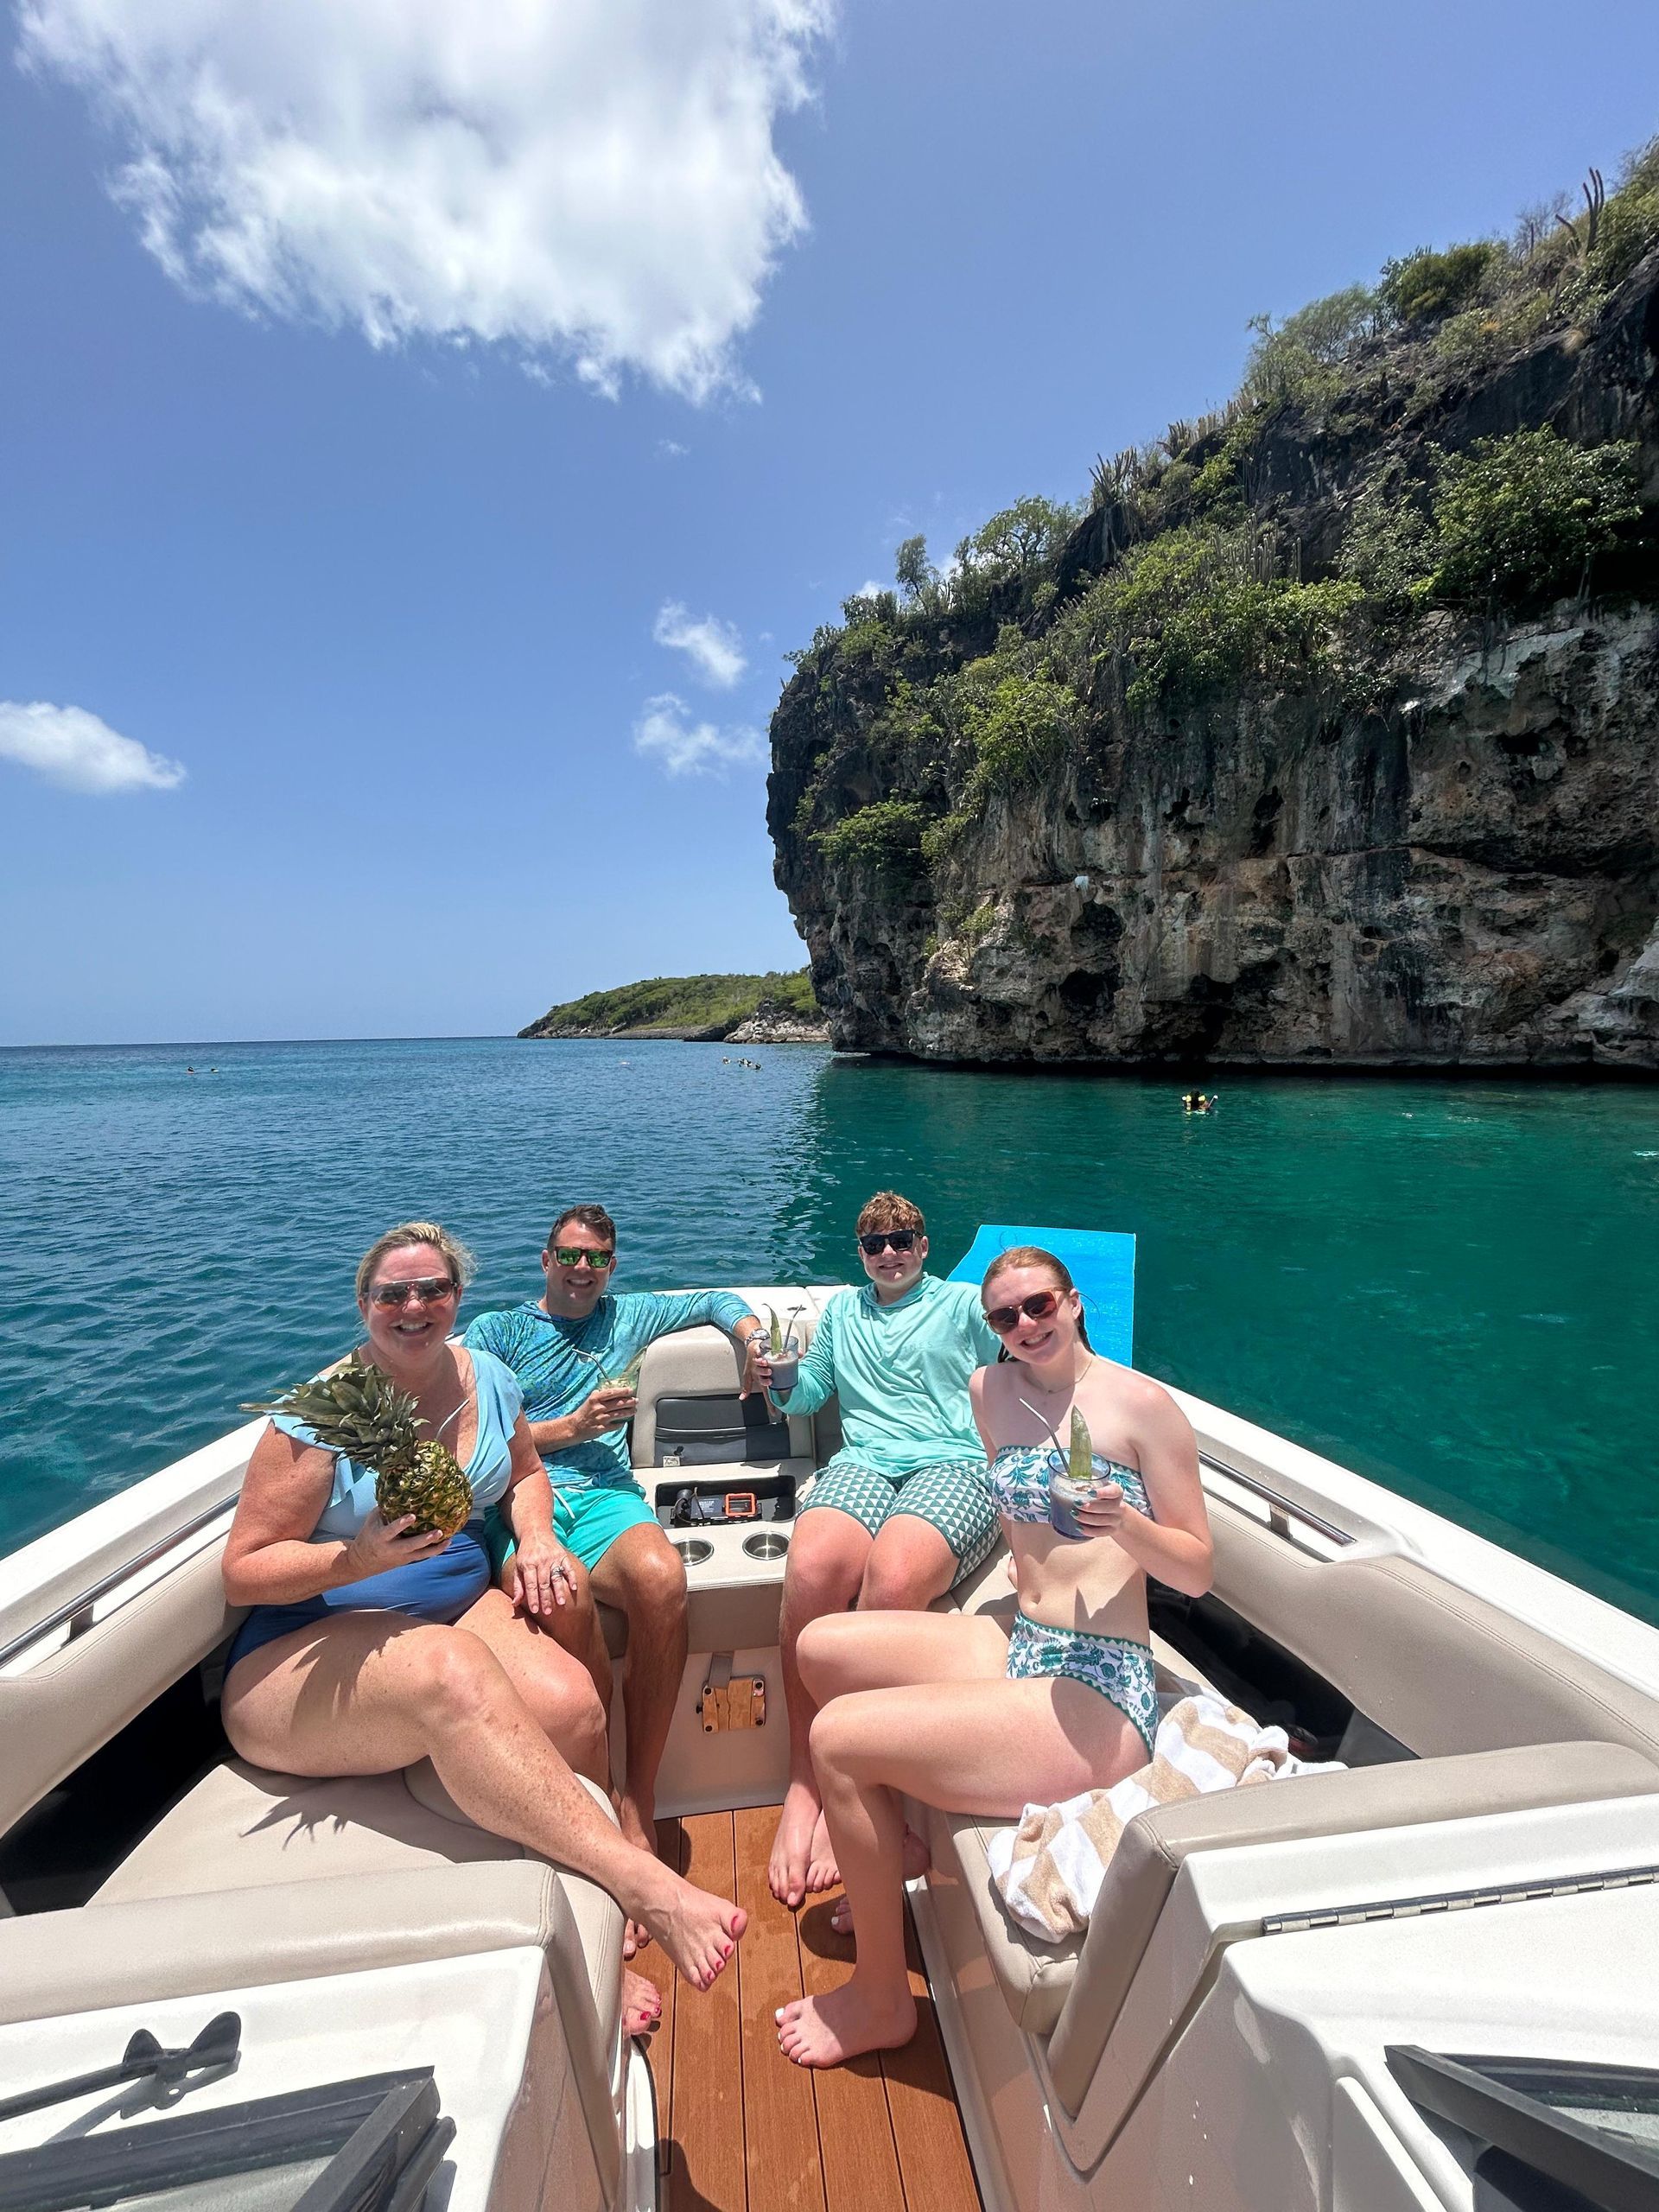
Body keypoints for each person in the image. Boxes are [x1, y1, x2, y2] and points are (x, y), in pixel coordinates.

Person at [219, 1221, 746, 2017]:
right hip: (305, 1649)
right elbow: (244, 1572)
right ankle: (637, 1886)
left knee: (573, 1703)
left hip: (457, 1607)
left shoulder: (487, 1376)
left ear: (456, 1298)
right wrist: (357, 1560)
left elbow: (528, 1469)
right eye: (392, 1293)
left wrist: (535, 1536)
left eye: (432, 1289)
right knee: (448, 1668)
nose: (414, 1306)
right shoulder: (319, 1418)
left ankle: (581, 1895)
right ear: (364, 1306)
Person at [772, 1244, 1212, 2069]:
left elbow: (1196, 1566)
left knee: (839, 1737)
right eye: (1004, 1317)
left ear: (1074, 1302)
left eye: (1039, 1306)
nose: (1025, 1327)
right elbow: (1020, 1522)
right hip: (1023, 1638)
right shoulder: (990, 1391)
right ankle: (892, 1845)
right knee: (821, 1646)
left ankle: (879, 2000)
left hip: (1097, 1682)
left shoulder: (1142, 1408)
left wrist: (1127, 1525)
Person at [465, 1204, 768, 1878]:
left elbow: (717, 1298)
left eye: (596, 1258)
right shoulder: (498, 1331)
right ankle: (597, 1792)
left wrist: (751, 1341)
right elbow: (481, 1440)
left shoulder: (627, 1316)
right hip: (522, 1489)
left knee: (663, 1577)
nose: (581, 1269)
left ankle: (641, 1793)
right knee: (562, 1592)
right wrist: (570, 1426)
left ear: (612, 1266)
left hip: (605, 1491)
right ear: (545, 1261)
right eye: (569, 1255)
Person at [753, 1192, 1003, 1910]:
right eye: (874, 1244)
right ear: (859, 1255)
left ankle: (863, 1790)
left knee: (891, 1582)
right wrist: (787, 1377)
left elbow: (1023, 1367)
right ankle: (806, 1782)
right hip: (866, 1462)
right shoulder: (842, 1314)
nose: (888, 1253)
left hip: (953, 1463)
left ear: (925, 1246)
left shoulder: (962, 1306)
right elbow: (807, 1403)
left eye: (902, 1240)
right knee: (810, 1568)